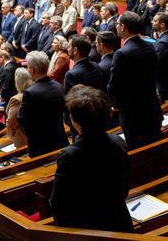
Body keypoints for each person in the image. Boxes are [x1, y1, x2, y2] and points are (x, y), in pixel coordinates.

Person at [50, 86, 133, 232]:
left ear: (75, 121)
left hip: (89, 230)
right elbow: (124, 187)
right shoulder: (118, 142)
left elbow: (58, 205)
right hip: (120, 223)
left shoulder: (69, 156)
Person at [108, 12, 162, 149]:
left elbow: (114, 85)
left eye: (117, 24)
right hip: (152, 108)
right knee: (153, 148)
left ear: (123, 27)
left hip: (133, 114)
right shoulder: (150, 46)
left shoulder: (122, 53)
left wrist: (114, 103)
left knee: (137, 149)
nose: (116, 26)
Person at [17, 50, 67, 157]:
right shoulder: (59, 87)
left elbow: (22, 119)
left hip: (40, 146)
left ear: (32, 69)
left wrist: (33, 135)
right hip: (60, 140)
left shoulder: (30, 93)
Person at [5, 67, 34, 146]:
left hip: (22, 137)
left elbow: (11, 122)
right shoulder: (33, 93)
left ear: (18, 82)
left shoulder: (17, 99)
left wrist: (12, 135)